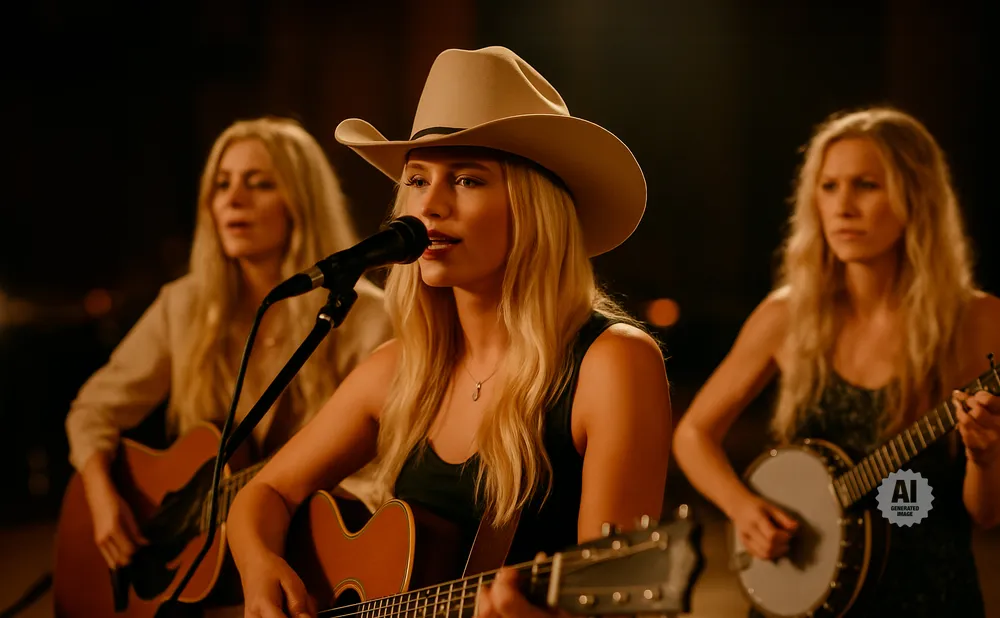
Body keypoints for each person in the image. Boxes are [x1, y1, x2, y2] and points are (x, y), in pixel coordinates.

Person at [225, 46, 672, 618]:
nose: (428, 207)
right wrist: (261, 567)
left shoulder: (611, 365)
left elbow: (618, 602)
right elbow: (262, 495)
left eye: (466, 179)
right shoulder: (399, 369)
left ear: (532, 209)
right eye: (416, 179)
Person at [672, 107, 1000, 616]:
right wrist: (744, 509)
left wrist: (984, 454)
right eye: (829, 186)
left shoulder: (976, 319)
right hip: (801, 597)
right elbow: (692, 434)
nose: (842, 206)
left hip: (926, 596)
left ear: (917, 196)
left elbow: (986, 515)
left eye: (866, 185)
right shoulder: (788, 314)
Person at [64, 117, 393, 578]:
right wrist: (102, 498)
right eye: (222, 184)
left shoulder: (369, 317)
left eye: (258, 183)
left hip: (303, 556)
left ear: (301, 202)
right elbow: (93, 410)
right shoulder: (183, 306)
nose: (234, 199)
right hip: (191, 571)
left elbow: (383, 470)